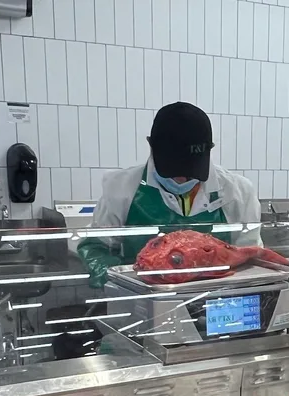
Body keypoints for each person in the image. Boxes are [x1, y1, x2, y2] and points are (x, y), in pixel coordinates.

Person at [78, 102, 261, 287]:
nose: (181, 178)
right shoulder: (121, 188)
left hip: (217, 297)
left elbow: (250, 257)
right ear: (151, 146)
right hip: (143, 297)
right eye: (172, 169)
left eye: (191, 171)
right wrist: (125, 286)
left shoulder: (238, 192)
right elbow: (95, 248)